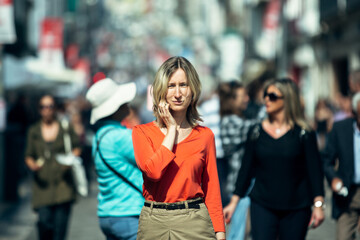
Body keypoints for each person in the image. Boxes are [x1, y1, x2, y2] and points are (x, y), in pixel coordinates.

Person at [132, 56, 226, 240]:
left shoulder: (204, 136)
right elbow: (154, 172)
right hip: (154, 221)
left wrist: (220, 233)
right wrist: (172, 129)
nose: (177, 93)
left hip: (194, 219)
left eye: (183, 85)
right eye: (171, 85)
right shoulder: (141, 133)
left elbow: (212, 189)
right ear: (160, 90)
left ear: (193, 90)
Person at [223, 78, 325, 240]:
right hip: (262, 205)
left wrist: (318, 205)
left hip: (297, 208)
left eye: (272, 96)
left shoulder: (304, 133)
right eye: (265, 95)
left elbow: (315, 172)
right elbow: (246, 170)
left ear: (288, 99)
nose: (266, 100)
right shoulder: (256, 131)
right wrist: (234, 202)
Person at [86, 78, 144, 240]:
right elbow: (155, 160)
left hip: (108, 213)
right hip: (128, 214)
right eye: (123, 101)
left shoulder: (100, 135)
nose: (127, 104)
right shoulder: (120, 137)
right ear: (115, 108)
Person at [25, 95, 81, 240]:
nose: (47, 110)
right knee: (44, 224)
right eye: (43, 107)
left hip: (63, 186)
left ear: (55, 108)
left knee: (59, 230)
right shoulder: (34, 131)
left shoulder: (65, 127)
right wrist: (32, 165)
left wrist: (70, 159)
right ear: (39, 110)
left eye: (50, 106)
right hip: (42, 186)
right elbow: (28, 155)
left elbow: (77, 147)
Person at [219, 80, 260, 240]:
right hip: (240, 183)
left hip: (248, 183)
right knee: (238, 232)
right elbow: (254, 127)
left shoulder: (240, 118)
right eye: (243, 96)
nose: (247, 99)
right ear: (232, 100)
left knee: (246, 231)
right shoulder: (230, 121)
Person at [323, 92, 360, 240]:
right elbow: (326, 160)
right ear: (355, 112)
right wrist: (334, 178)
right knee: (343, 237)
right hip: (347, 194)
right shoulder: (340, 129)